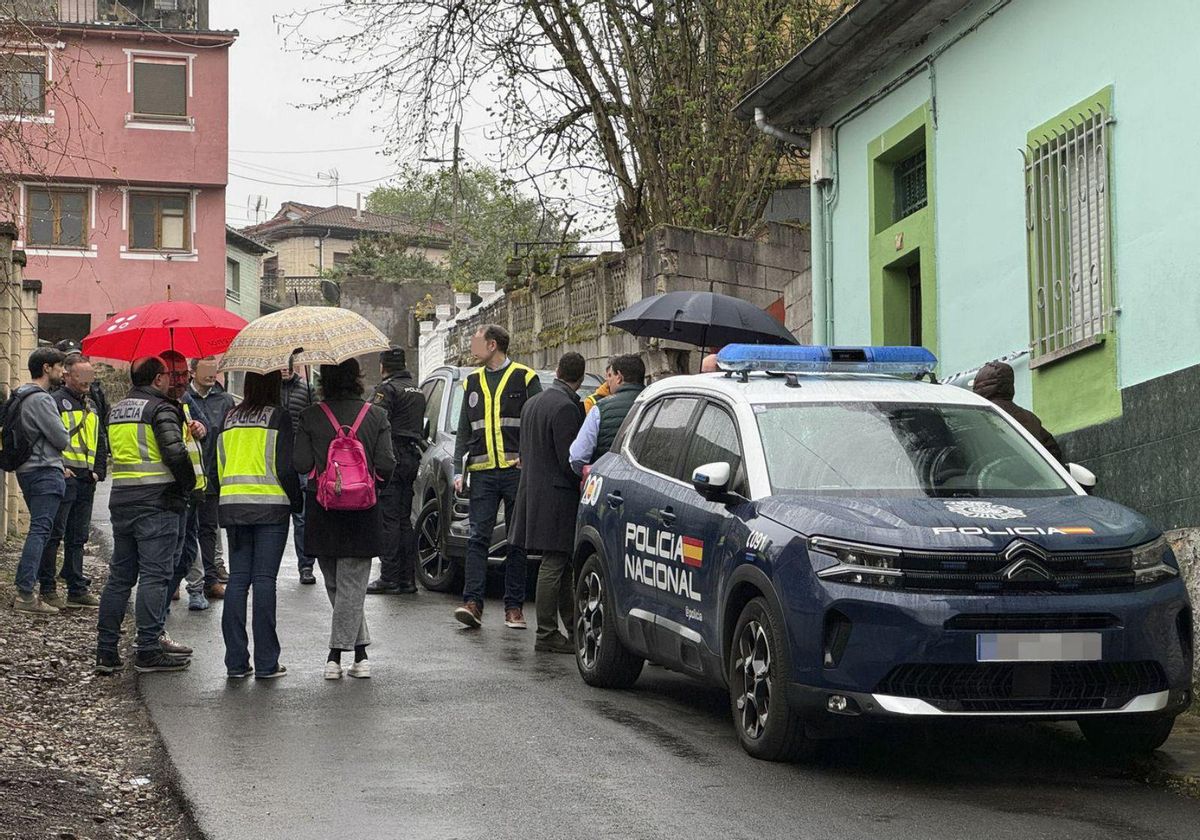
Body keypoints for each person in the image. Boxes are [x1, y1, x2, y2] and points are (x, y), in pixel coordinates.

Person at [293, 358, 395, 680]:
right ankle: (360, 655)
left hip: (323, 509)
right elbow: (387, 463)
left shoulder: (310, 415)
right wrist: (371, 485)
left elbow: (300, 463)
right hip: (363, 509)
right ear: (357, 378)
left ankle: (334, 656)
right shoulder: (376, 415)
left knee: (337, 583)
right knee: (351, 586)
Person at [96, 356, 197, 674]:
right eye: (168, 375)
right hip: (158, 502)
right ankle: (148, 648)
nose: (172, 380)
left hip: (123, 499)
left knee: (120, 578)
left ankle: (106, 651)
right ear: (156, 379)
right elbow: (175, 453)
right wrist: (188, 485)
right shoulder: (161, 408)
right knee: (155, 576)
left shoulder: (118, 410)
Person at [451, 324, 542, 630]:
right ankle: (472, 603)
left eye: (477, 342)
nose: (473, 348)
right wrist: (456, 469)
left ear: (492, 345)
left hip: (516, 472)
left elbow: (537, 421)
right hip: (482, 472)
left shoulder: (525, 377)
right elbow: (464, 429)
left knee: (516, 542)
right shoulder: (472, 381)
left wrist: (529, 458)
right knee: (478, 537)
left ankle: (513, 608)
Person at [217, 371, 303, 680]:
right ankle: (267, 663)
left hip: (234, 506)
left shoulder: (228, 417)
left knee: (238, 580)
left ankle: (236, 663)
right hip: (270, 507)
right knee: (265, 580)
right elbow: (286, 466)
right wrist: (297, 502)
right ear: (274, 385)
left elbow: (219, 464)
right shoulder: (278, 417)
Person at [510, 352, 586, 653]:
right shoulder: (566, 407)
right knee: (554, 563)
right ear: (579, 378)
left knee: (560, 562)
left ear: (556, 370)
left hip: (533, 491)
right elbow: (570, 460)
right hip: (557, 496)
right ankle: (546, 631)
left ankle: (569, 626)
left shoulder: (533, 402)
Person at [37, 351, 106, 609]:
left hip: (87, 478)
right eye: (81, 375)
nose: (86, 380)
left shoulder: (92, 403)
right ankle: (48, 587)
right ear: (67, 375)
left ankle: (76, 587)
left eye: (89, 375)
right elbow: (46, 438)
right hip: (65, 477)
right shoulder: (55, 401)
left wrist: (99, 470)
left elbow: (101, 439)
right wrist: (59, 466)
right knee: (55, 534)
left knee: (78, 537)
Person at [10, 347, 69, 614]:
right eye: (59, 367)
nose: (63, 371)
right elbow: (61, 439)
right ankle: (25, 593)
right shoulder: (42, 399)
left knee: (40, 529)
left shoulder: (20, 395)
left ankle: (29, 590)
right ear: (46, 368)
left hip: (26, 469)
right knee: (41, 530)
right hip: (44, 470)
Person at [366, 347, 426, 595]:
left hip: (393, 455)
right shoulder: (417, 390)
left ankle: (389, 577)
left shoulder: (387, 390)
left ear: (384, 366)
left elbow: (374, 421)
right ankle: (407, 578)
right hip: (412, 456)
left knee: (389, 519)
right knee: (404, 519)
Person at [180, 356, 234, 610]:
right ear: (192, 372)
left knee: (209, 529)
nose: (212, 375)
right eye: (206, 370)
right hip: (188, 473)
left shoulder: (224, 400)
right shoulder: (182, 399)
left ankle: (210, 580)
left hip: (213, 472)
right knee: (183, 531)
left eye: (215, 370)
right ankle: (176, 580)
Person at [569, 353, 646, 475]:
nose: (608, 381)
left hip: (608, 481)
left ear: (619, 377)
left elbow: (578, 457)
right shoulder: (657, 404)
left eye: (611, 376)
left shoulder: (600, 408)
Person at [972, 360, 1063, 461]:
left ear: (978, 388)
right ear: (1010, 386)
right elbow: (1053, 453)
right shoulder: (1030, 418)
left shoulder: (976, 418)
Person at [282, 368, 318, 584]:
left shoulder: (307, 388)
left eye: (288, 364)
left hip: (300, 456)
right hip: (277, 456)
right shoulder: (269, 388)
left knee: (302, 517)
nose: (285, 369)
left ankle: (306, 566)